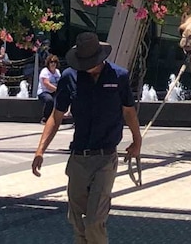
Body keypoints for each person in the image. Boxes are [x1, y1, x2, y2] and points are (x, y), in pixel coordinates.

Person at [31, 32, 141, 244]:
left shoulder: (119, 76)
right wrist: (40, 150)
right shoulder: (69, 78)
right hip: (79, 158)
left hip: (105, 158)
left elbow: (129, 111)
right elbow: (56, 116)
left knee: (94, 222)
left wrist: (137, 141)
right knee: (78, 223)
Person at [38, 54, 61, 122]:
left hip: (54, 92)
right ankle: (45, 118)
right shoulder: (45, 71)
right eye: (51, 62)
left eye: (55, 62)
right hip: (44, 92)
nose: (53, 64)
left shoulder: (57, 72)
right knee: (49, 100)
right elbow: (46, 84)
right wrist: (57, 90)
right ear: (48, 63)